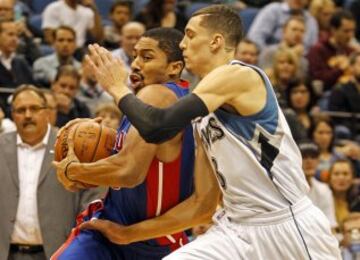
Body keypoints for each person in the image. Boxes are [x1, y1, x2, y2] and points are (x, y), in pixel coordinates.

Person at [85, 4, 341, 259]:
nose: (183, 44)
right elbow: (201, 206)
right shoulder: (203, 112)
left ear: (216, 41)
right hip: (236, 230)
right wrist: (127, 234)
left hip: (289, 226)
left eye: (190, 34)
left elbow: (157, 127)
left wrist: (118, 88)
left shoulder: (239, 76)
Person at [52, 28, 219, 260]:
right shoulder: (148, 103)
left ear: (174, 67)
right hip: (147, 237)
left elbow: (129, 171)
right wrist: (92, 159)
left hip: (126, 238)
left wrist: (73, 171)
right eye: (135, 56)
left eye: (147, 57)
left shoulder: (157, 94)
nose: (136, 64)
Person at [0, 85, 102, 260]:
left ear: (46, 112)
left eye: (34, 108)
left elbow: (91, 199)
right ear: (12, 115)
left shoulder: (71, 146)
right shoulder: (1, 145)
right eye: (20, 110)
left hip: (58, 253)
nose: (28, 115)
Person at [307, 10, 356, 91]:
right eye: (346, 31)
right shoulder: (318, 50)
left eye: (352, 30)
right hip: (327, 95)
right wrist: (341, 69)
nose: (350, 35)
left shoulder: (351, 51)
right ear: (333, 30)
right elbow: (320, 81)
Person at [299, 141, 337, 230]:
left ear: (318, 161)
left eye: (313, 157)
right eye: (304, 157)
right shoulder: (286, 188)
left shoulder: (324, 189)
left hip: (320, 236)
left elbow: (330, 222)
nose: (309, 161)